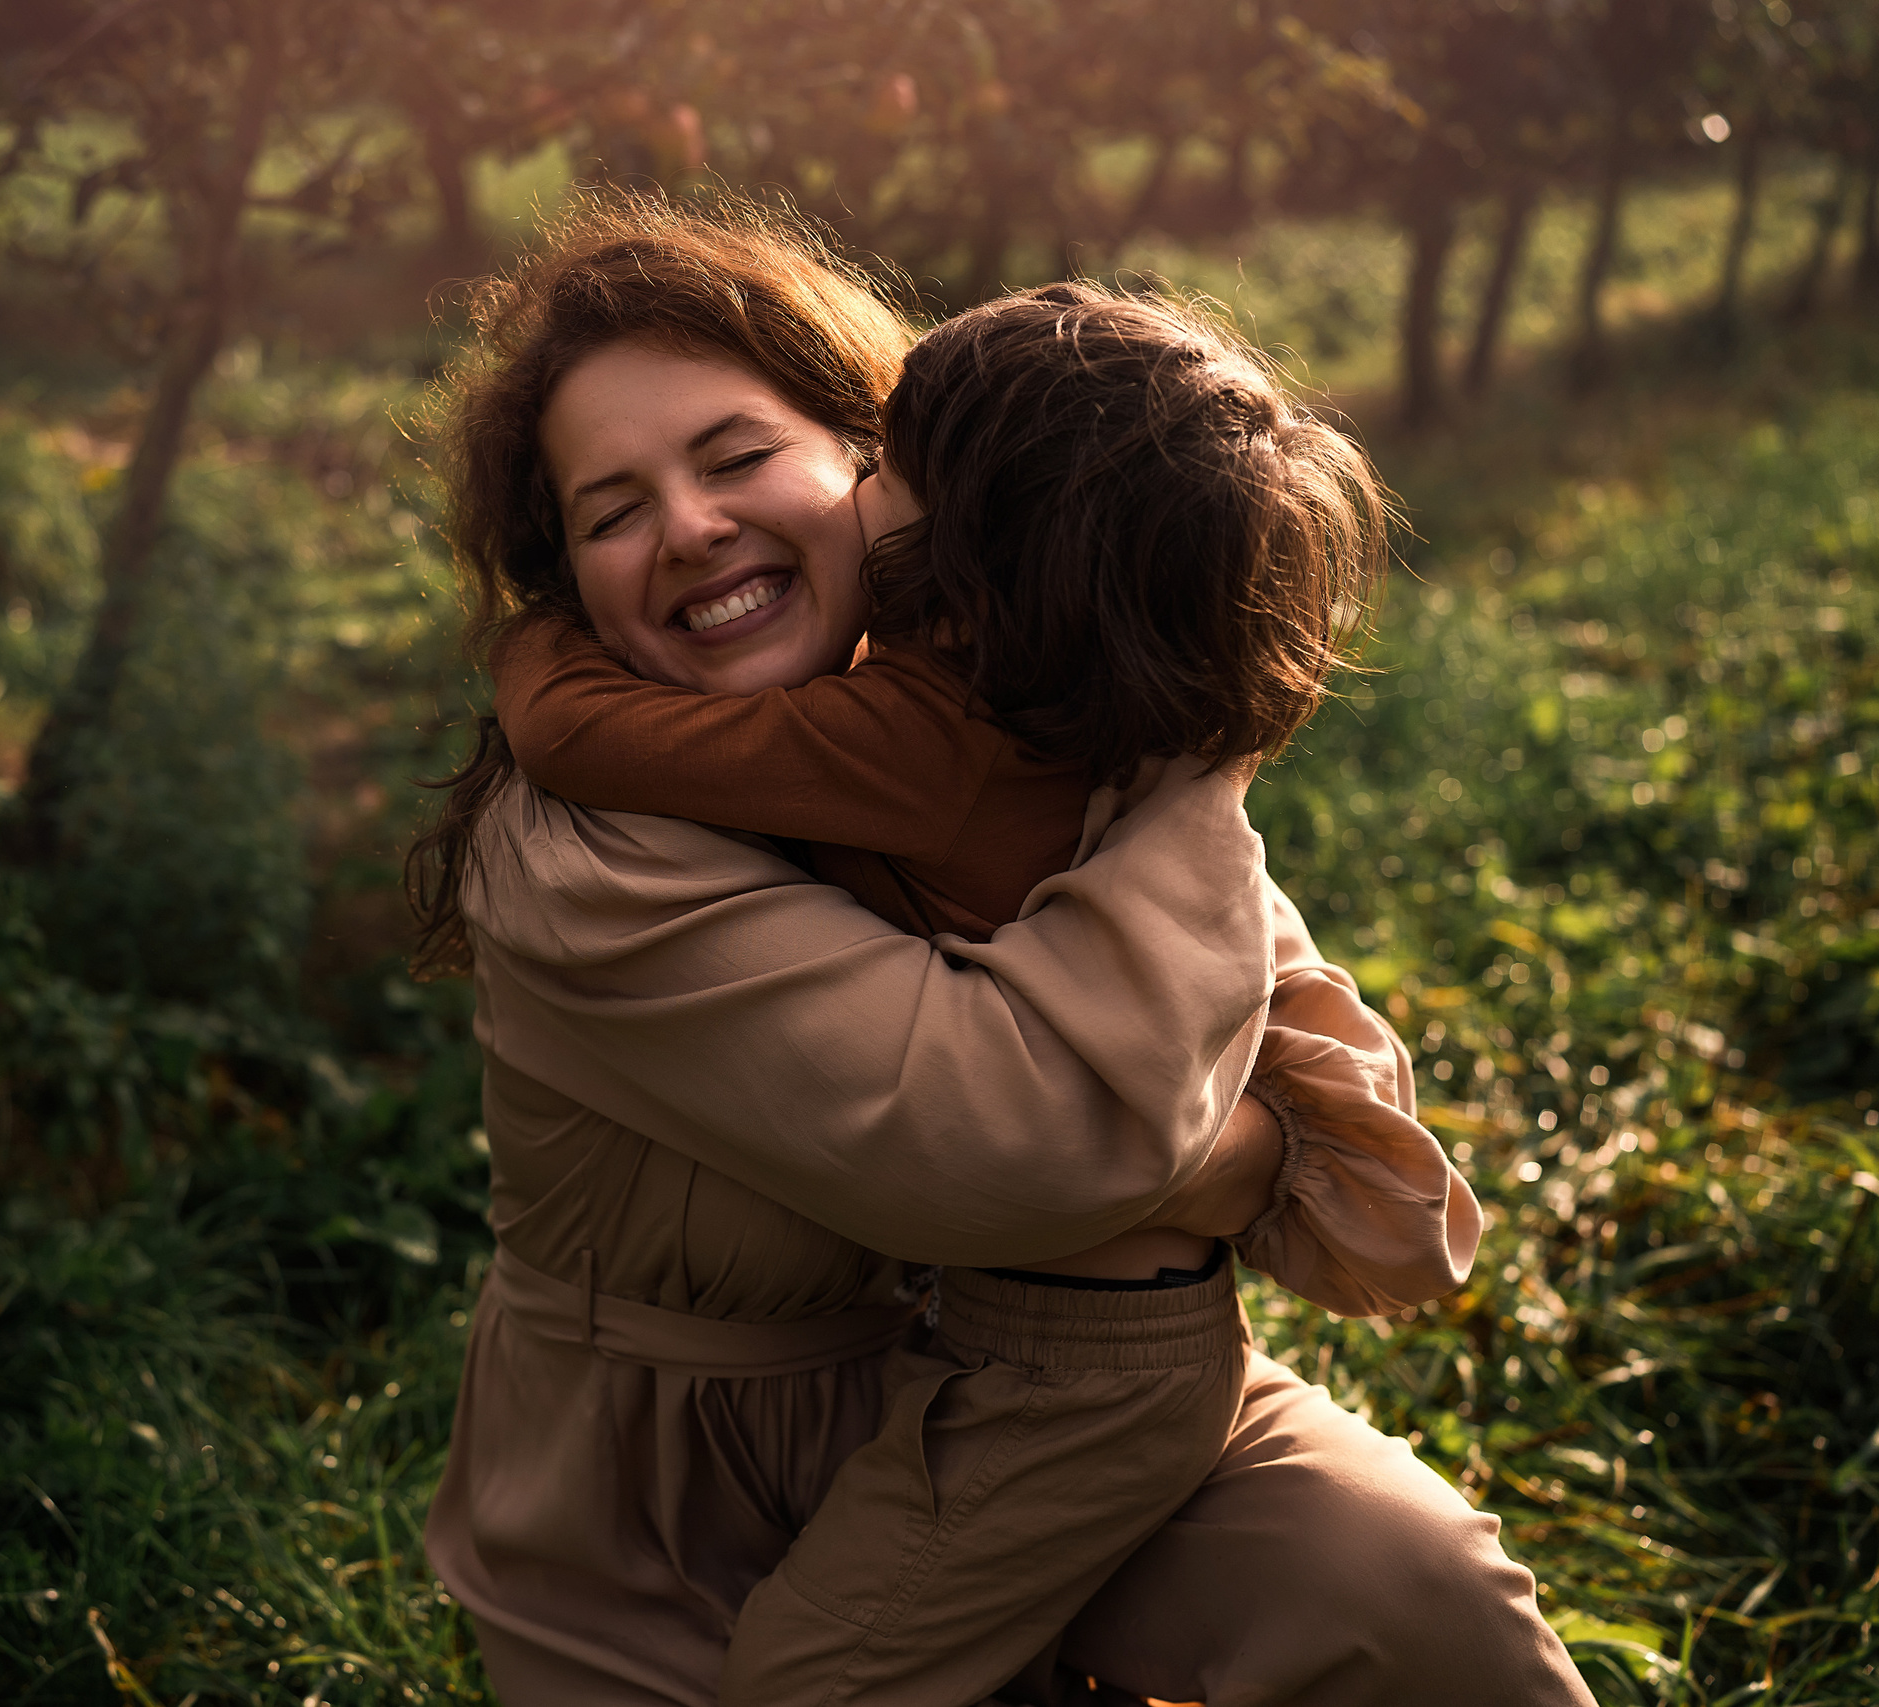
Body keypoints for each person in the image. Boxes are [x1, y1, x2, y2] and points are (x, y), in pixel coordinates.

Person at [411, 192, 1594, 1707]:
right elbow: (1030, 1145)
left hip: (1027, 1371)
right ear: (565, 579)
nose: (692, 528)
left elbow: (1309, 1056)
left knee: (1411, 1590)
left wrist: (1177, 734)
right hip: (672, 1496)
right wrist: (1233, 1156)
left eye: (735, 456)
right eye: (612, 510)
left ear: (872, 464)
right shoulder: (580, 845)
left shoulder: (1017, 692)